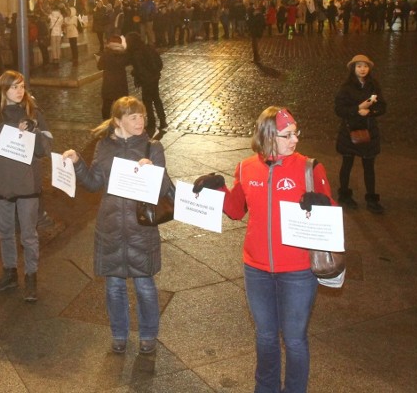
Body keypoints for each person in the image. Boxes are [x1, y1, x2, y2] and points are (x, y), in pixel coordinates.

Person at [194, 106, 336, 393]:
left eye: (296, 133)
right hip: (256, 268)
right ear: (268, 136)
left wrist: (323, 206)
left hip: (298, 271)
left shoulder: (311, 167)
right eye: (287, 135)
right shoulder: (246, 167)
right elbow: (236, 210)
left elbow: (332, 214)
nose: (294, 140)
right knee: (266, 337)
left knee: (295, 340)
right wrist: (218, 189)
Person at [62, 96, 170, 356]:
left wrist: (153, 170)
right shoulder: (103, 146)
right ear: (118, 120)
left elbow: (165, 189)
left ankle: (148, 334)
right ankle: (119, 334)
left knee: (145, 286)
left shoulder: (152, 147)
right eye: (133, 117)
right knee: (114, 287)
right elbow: (93, 182)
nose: (140, 121)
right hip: (110, 226)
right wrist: (77, 163)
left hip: (140, 229)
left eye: (142, 116)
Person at [0, 70, 51, 302]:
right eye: (14, 87)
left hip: (27, 184)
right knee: (4, 232)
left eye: (21, 86)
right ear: (3, 90)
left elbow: (45, 148)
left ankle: (31, 277)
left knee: (28, 235)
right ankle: (10, 273)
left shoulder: (33, 113)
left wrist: (33, 131)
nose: (19, 91)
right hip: (1, 182)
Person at [334, 54, 387, 213]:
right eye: (359, 66)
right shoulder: (346, 87)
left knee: (369, 166)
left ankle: (371, 198)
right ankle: (344, 195)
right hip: (350, 131)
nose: (362, 69)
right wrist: (357, 109)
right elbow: (339, 110)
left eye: (365, 66)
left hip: (369, 131)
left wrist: (370, 112)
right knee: (347, 164)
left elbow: (383, 106)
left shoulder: (373, 85)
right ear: (353, 68)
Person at [125, 32, 166, 132]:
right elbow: (159, 63)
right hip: (154, 78)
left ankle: (152, 122)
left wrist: (135, 73)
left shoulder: (136, 53)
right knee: (156, 99)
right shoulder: (148, 47)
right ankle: (162, 120)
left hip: (146, 80)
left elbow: (140, 69)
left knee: (147, 101)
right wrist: (155, 73)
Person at [97, 35, 128, 119]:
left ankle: (106, 124)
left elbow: (99, 66)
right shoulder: (124, 54)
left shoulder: (106, 54)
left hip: (108, 83)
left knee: (106, 106)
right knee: (122, 106)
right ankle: (121, 123)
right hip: (121, 84)